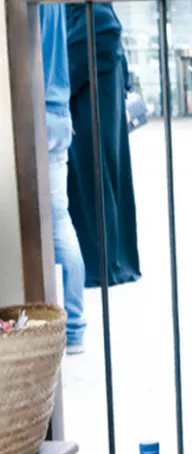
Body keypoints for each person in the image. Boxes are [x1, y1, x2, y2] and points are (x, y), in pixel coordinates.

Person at [65, 3, 141, 288]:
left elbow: (68, 70)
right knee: (98, 182)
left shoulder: (94, 17)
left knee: (93, 183)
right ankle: (107, 261)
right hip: (96, 116)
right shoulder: (96, 15)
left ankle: (102, 264)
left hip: (91, 118)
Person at [39, 3, 87, 354]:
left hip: (34, 108)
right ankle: (74, 327)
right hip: (58, 110)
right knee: (60, 221)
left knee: (50, 223)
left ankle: (65, 327)